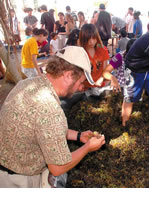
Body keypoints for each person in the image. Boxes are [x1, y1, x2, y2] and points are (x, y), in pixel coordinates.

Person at [0, 46, 105, 188]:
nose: (80, 88)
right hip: (20, 179)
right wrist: (87, 147)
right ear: (68, 75)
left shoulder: (27, 84)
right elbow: (58, 168)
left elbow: (43, 130)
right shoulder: (50, 110)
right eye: (80, 82)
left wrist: (79, 136)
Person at [79, 24, 110, 89]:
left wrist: (102, 79)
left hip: (100, 86)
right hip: (84, 87)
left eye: (94, 38)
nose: (91, 42)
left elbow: (105, 70)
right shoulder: (80, 52)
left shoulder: (103, 49)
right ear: (83, 39)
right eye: (88, 39)